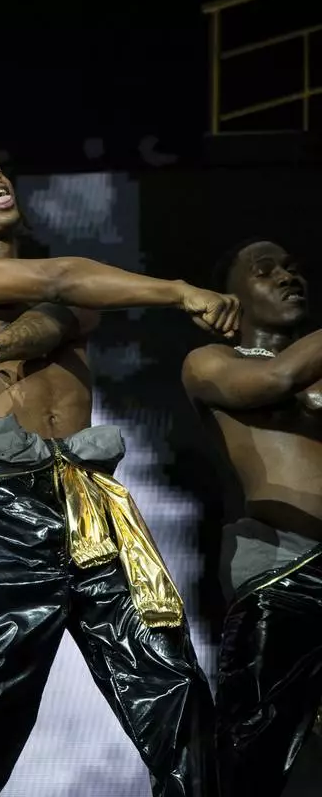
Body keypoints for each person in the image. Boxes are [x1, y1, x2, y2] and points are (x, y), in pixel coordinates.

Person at [0, 151, 240, 796]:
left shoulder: (73, 285)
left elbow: (66, 303)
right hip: (4, 505)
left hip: (91, 500)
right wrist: (178, 291)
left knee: (174, 691)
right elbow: (65, 286)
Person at [181, 239, 322, 797]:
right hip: (283, 568)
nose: (289, 277)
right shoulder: (213, 362)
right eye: (267, 272)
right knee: (252, 755)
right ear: (231, 303)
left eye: (294, 268)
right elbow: (273, 381)